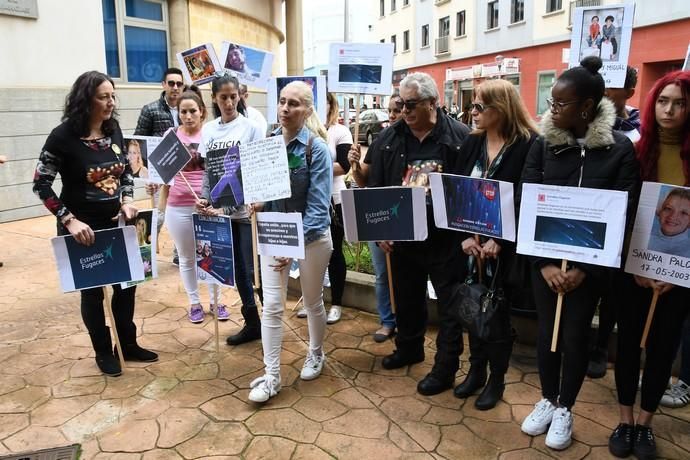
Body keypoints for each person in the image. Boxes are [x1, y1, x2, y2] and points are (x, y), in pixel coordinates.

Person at [518, 57, 639, 451]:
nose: (551, 110)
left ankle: (565, 406)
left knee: (573, 336)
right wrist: (545, 264)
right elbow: (527, 201)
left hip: (588, 270)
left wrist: (584, 269)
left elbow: (625, 210)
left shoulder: (619, 151)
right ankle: (547, 398)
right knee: (546, 337)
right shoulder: (542, 144)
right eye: (551, 103)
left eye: (560, 104)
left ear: (586, 107)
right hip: (546, 266)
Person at [33, 71, 159, 377]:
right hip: (81, 230)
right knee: (92, 293)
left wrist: (128, 200)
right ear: (85, 99)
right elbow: (41, 184)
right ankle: (103, 351)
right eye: (103, 96)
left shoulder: (113, 129)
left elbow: (126, 173)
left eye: (113, 96)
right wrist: (69, 220)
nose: (110, 102)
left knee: (126, 286)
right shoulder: (62, 137)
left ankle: (126, 344)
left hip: (117, 223)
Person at [363, 72, 470, 395]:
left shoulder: (460, 137)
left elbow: (469, 188)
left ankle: (446, 366)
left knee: (450, 306)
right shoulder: (389, 137)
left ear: (432, 103)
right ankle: (409, 348)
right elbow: (376, 186)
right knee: (407, 299)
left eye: (411, 104)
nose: (405, 110)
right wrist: (380, 229)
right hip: (403, 237)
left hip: (446, 239)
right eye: (400, 104)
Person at [609, 70, 690, 460]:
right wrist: (638, 264)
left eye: (679, 103)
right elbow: (621, 212)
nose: (669, 110)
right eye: (663, 101)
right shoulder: (634, 150)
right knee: (627, 345)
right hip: (633, 270)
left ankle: (644, 424)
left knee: (662, 348)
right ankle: (624, 419)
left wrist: (677, 274)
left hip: (679, 279)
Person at [451, 79, 539, 410]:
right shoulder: (472, 143)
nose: (472, 113)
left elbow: (527, 197)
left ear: (499, 110)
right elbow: (458, 190)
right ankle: (475, 371)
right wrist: (464, 235)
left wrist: (499, 240)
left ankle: (496, 380)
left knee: (497, 315)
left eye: (478, 107)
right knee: (474, 309)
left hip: (503, 251)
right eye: (472, 106)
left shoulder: (529, 145)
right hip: (472, 248)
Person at [248, 81, 333, 403]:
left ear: (308, 110)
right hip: (274, 234)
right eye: (282, 102)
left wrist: (293, 245)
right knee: (271, 306)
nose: (285, 108)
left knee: (311, 301)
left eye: (294, 104)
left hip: (311, 238)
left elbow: (318, 206)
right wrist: (258, 203)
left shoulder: (316, 149)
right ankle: (271, 376)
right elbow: (266, 195)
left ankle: (316, 353)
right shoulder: (268, 145)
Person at [196, 73, 263, 343]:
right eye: (223, 97)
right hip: (219, 214)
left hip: (245, 213)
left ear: (240, 96)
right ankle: (252, 323)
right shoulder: (209, 130)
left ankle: (269, 320)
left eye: (233, 96)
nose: (229, 102)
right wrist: (203, 198)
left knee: (252, 269)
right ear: (214, 98)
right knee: (235, 271)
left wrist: (231, 207)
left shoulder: (251, 128)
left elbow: (257, 170)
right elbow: (207, 172)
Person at [587, 65, 642, 380]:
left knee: (613, 288)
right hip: (591, 212)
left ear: (629, 92)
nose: (606, 91)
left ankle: (601, 345)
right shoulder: (587, 125)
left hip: (623, 216)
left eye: (613, 86)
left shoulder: (639, 129)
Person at [162, 86, 224, 324]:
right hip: (178, 206)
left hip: (207, 206)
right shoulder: (171, 136)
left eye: (192, 111)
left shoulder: (211, 135)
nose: (188, 116)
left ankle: (216, 301)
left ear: (202, 112)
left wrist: (212, 201)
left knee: (210, 255)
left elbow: (217, 169)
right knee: (188, 258)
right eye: (183, 111)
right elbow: (162, 172)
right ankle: (194, 302)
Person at [349, 93, 403, 342]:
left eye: (398, 109)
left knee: (408, 276)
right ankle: (387, 321)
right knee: (382, 274)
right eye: (390, 110)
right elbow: (364, 181)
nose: (392, 115)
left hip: (405, 218)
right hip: (381, 216)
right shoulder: (381, 140)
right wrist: (356, 166)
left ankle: (407, 321)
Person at [305, 92, 354, 325]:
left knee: (334, 252)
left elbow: (344, 166)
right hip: (307, 200)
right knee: (308, 253)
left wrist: (312, 166)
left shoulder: (339, 131)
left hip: (334, 200)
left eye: (321, 101)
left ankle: (336, 303)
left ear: (330, 104)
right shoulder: (302, 130)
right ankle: (313, 301)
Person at [135, 67, 184, 263]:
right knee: (159, 216)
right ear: (163, 85)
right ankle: (142, 257)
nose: (175, 87)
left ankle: (178, 255)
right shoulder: (150, 109)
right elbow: (139, 141)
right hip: (159, 172)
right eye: (171, 83)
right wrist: (148, 174)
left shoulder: (186, 108)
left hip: (182, 174)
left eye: (179, 84)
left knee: (180, 214)